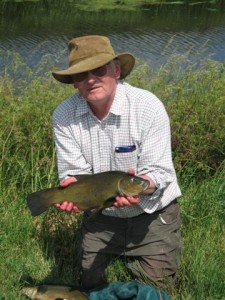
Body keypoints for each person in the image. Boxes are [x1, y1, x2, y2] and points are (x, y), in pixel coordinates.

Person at [51, 35, 182, 291]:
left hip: (151, 214)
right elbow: (75, 174)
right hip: (101, 214)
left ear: (116, 70)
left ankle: (143, 260)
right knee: (90, 285)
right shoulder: (63, 115)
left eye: (99, 70)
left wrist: (142, 186)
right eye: (80, 75)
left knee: (157, 289)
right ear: (74, 83)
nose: (90, 80)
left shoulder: (148, 106)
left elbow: (160, 172)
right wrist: (71, 193)